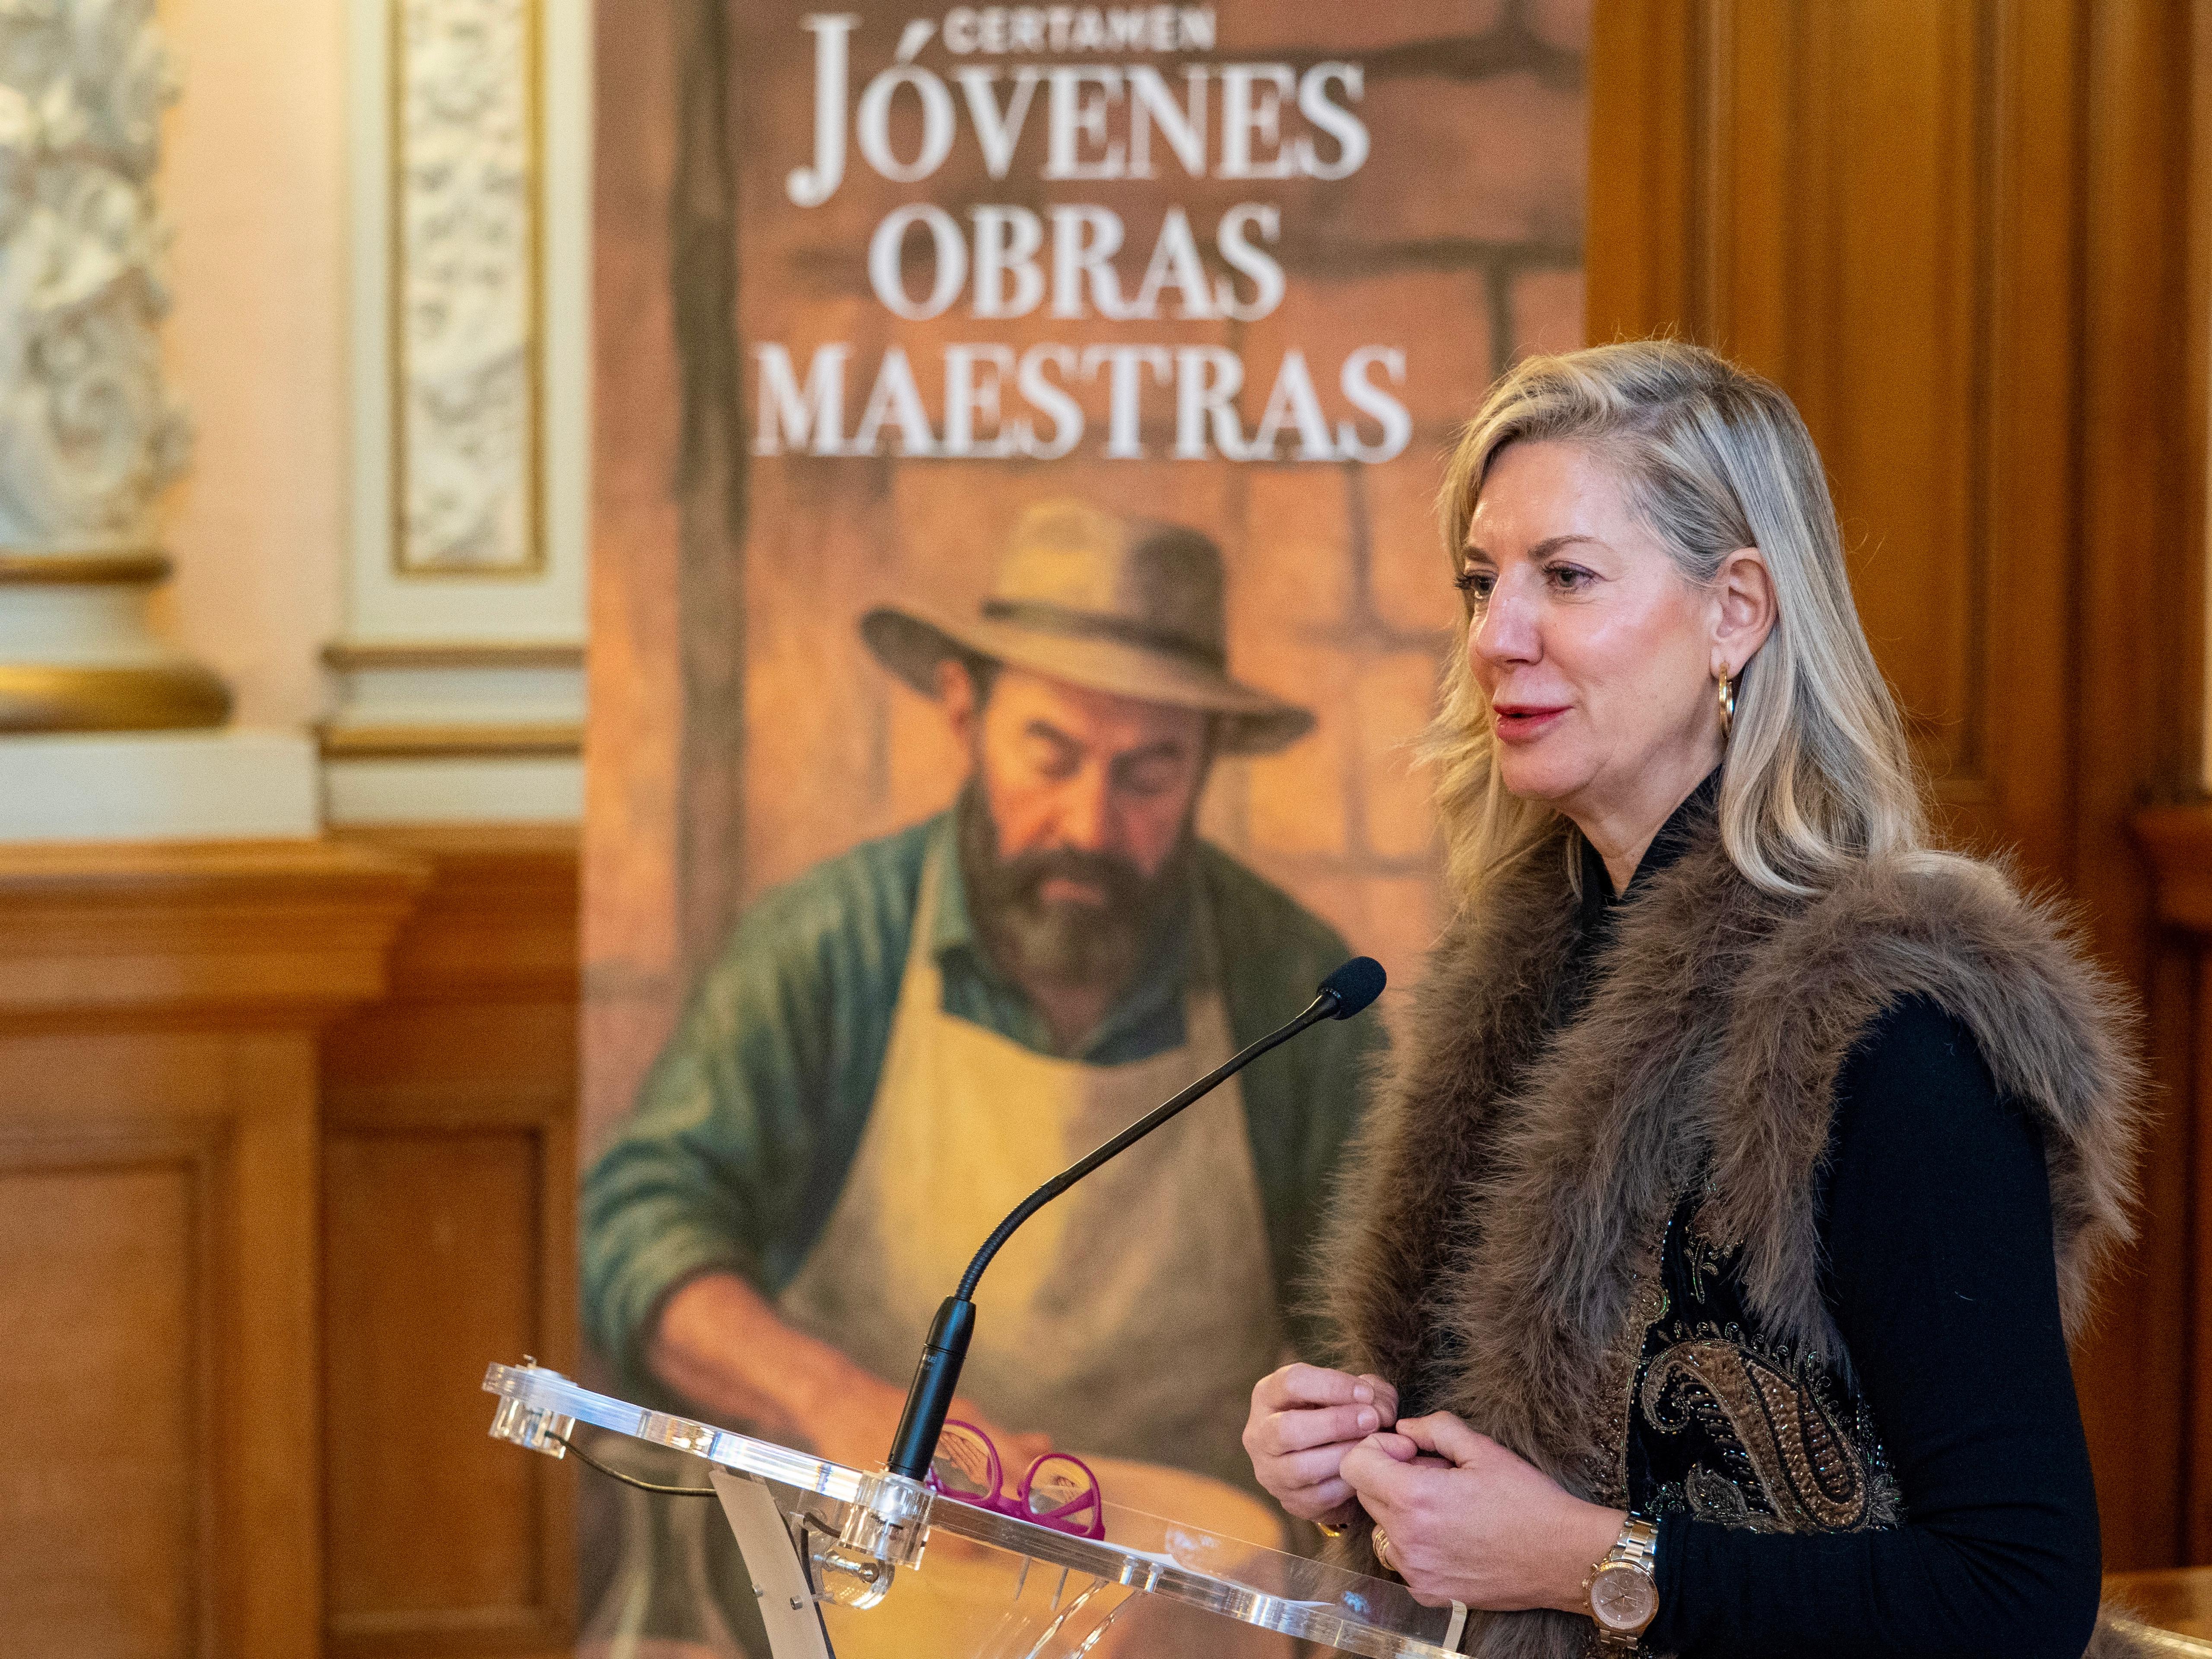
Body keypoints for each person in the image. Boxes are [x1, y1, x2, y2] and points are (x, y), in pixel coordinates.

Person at [1243, 341, 2149, 1659]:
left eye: (1566, 577)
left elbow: (2018, 1596)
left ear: (1735, 612)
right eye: (1482, 583)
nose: (1496, 638)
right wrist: (1354, 1465)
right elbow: (1529, 1474)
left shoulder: (1889, 1022)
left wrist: (1590, 1563)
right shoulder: (1525, 988)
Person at [584, 497, 1381, 1491]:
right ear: (965, 712)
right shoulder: (832, 945)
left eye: (1147, 775)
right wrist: (831, 1399)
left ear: (1207, 761)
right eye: (1050, 757)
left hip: (1190, 1561)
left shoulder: (1295, 988)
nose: (1087, 825)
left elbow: (1374, 1318)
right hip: (859, 1542)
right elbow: (636, 1224)